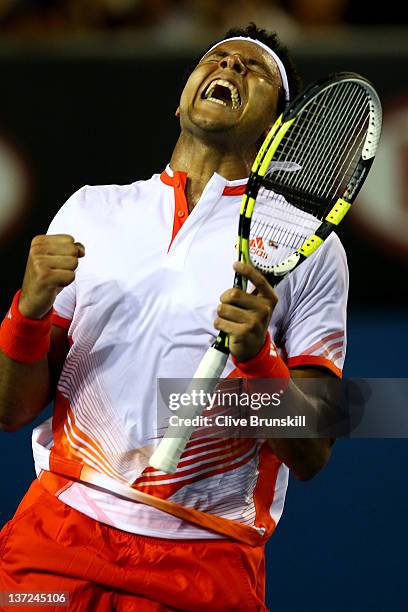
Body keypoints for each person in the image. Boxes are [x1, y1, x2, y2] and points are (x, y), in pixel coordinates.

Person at [0, 23, 348, 611]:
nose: (232, 67)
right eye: (218, 58)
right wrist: (26, 313)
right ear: (183, 93)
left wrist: (258, 359)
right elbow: (11, 410)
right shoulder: (91, 209)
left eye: (254, 68)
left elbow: (312, 451)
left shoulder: (309, 245)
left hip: (200, 567)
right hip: (55, 541)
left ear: (278, 128)